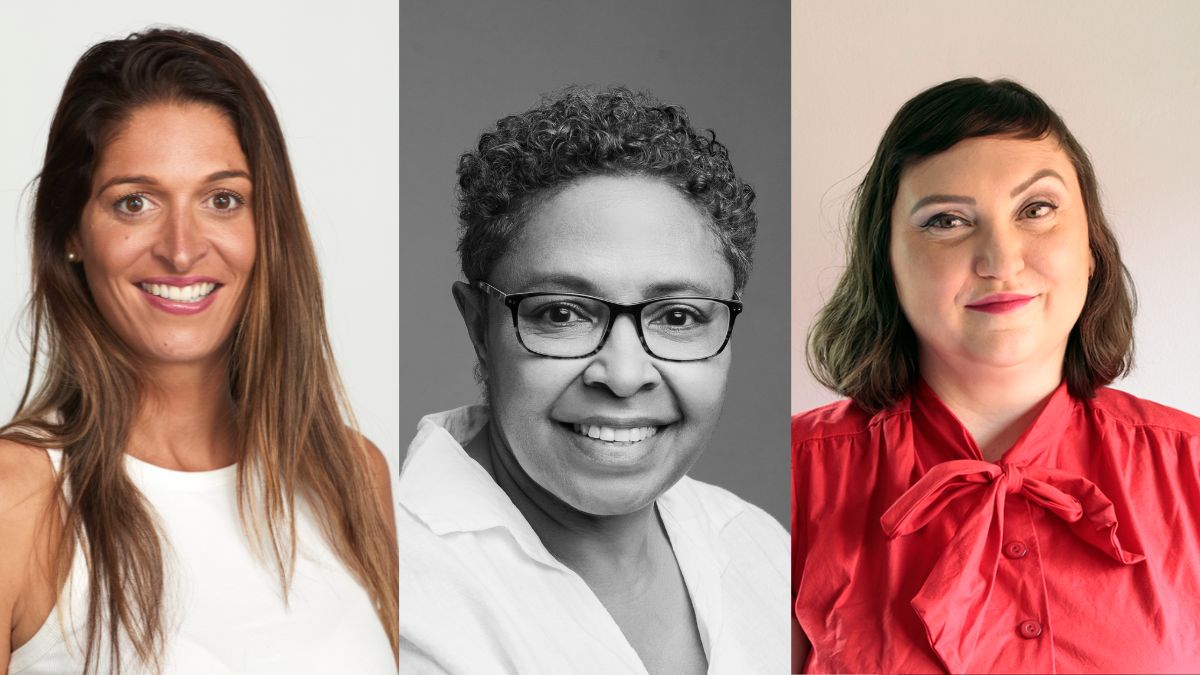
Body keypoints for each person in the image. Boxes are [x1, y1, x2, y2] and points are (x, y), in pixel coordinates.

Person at [0, 29, 397, 674]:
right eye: (135, 202)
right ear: (71, 231)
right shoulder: (14, 495)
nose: (182, 249)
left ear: (265, 227)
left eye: (222, 200)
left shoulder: (353, 477)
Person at [792, 77, 1200, 673]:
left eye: (1036, 210)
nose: (1001, 259)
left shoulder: (1191, 467)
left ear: (1090, 247)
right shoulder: (792, 477)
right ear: (886, 260)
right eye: (946, 221)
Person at [398, 87, 788, 674]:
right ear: (479, 325)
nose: (625, 375)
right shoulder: (387, 595)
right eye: (562, 314)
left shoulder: (762, 549)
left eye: (678, 317)